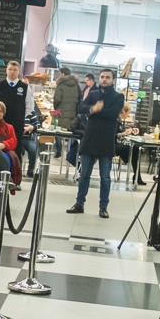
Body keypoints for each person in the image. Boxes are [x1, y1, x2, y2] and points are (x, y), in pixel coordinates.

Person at [67, 68, 123, 219]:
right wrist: (92, 108)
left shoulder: (118, 97)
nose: (104, 79)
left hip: (106, 140)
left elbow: (113, 114)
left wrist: (95, 111)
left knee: (105, 177)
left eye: (108, 77)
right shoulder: (93, 94)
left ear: (113, 80)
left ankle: (103, 207)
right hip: (90, 138)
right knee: (84, 175)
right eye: (102, 77)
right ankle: (79, 203)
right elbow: (81, 108)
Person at [0, 61, 38, 177]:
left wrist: (19, 116)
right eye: (10, 69)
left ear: (19, 72)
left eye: (15, 70)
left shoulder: (25, 88)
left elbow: (29, 106)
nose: (12, 72)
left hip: (17, 125)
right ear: (6, 70)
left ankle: (15, 178)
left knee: (16, 150)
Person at [52, 67, 80, 158]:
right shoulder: (76, 85)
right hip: (72, 113)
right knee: (71, 133)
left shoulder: (60, 84)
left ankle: (59, 150)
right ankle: (70, 152)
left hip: (61, 112)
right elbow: (80, 97)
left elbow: (57, 99)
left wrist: (56, 108)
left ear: (63, 74)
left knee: (57, 131)